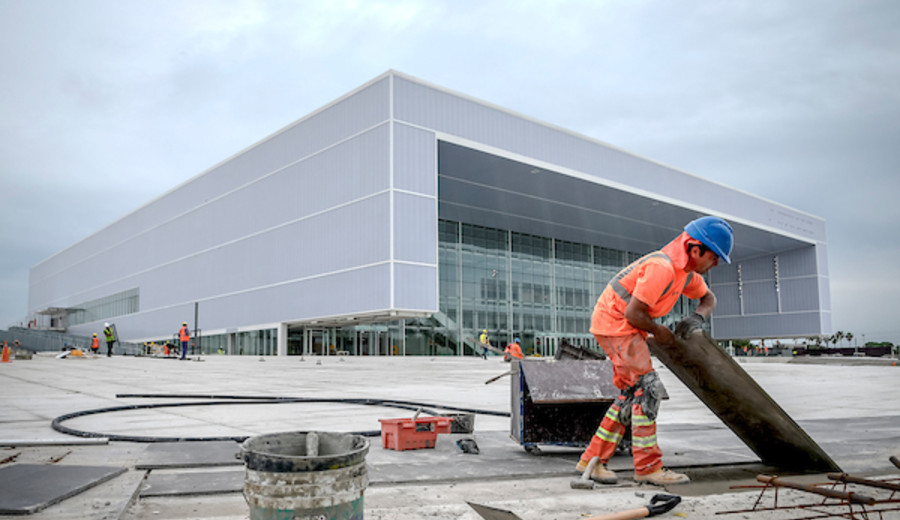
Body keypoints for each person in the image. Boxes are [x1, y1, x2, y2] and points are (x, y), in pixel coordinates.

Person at [575, 216, 733, 486]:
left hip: (620, 326)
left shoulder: (685, 273)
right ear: (695, 250)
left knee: (630, 394)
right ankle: (648, 467)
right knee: (648, 389)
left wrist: (697, 318)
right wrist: (660, 331)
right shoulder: (663, 268)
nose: (716, 263)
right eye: (715, 257)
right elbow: (634, 313)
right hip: (617, 324)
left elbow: (709, 298)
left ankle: (592, 460)